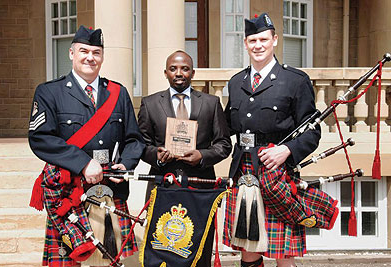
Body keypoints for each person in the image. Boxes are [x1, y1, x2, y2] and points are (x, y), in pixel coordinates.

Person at [28, 25, 145, 267]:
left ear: (102, 56)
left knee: (109, 262)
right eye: (84, 51)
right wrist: (83, 163)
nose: (90, 57)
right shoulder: (49, 92)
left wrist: (126, 164)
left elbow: (134, 139)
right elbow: (41, 138)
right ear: (71, 53)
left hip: (109, 192)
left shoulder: (118, 92)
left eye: (96, 52)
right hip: (69, 193)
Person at [223, 13, 321, 267]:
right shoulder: (236, 83)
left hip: (278, 174)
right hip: (243, 173)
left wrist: (287, 150)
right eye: (252, 40)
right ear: (245, 43)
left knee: (282, 252)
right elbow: (223, 129)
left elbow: (312, 131)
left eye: (263, 39)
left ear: (275, 40)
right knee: (248, 250)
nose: (258, 45)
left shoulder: (295, 81)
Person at [137, 50, 232, 266]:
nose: (179, 73)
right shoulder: (150, 103)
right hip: (163, 184)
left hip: (200, 186)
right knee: (161, 248)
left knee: (199, 247)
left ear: (193, 72)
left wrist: (202, 156)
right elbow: (140, 145)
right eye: (173, 69)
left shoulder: (210, 103)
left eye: (184, 68)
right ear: (166, 73)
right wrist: (157, 156)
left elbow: (224, 144)